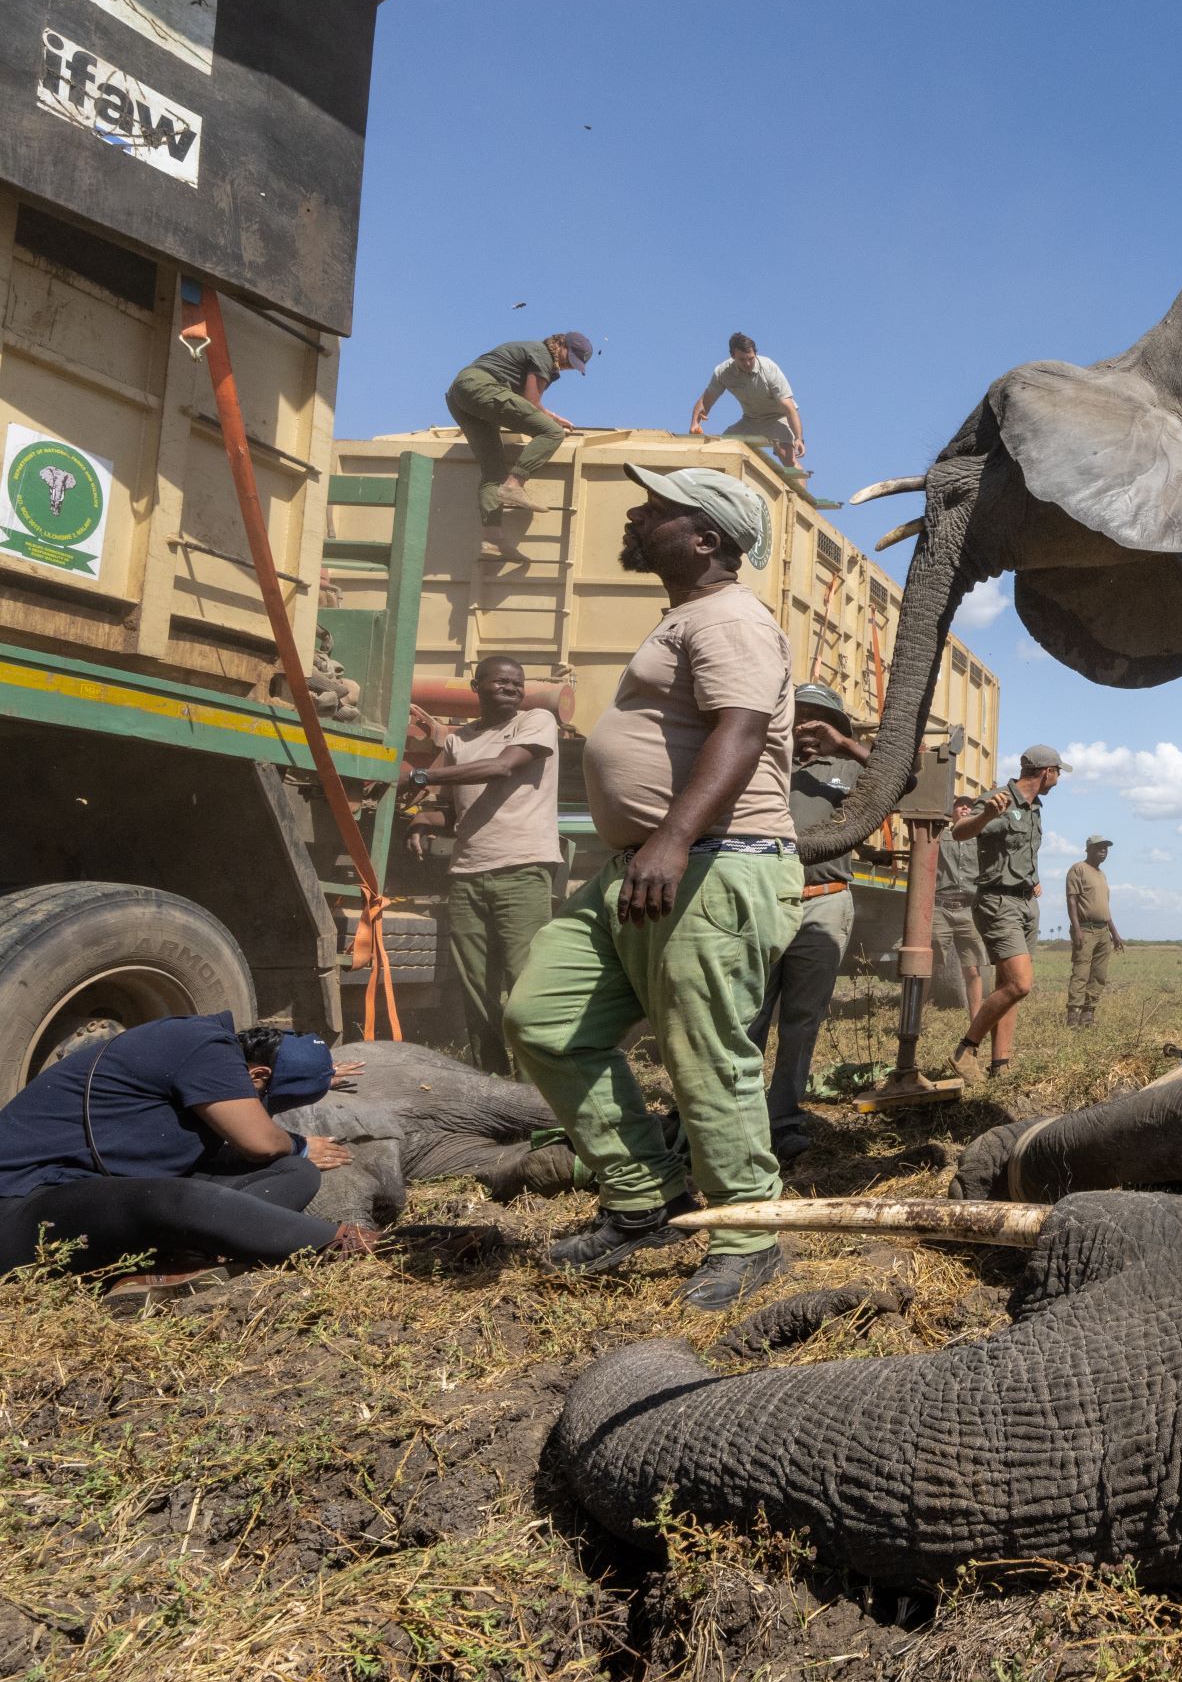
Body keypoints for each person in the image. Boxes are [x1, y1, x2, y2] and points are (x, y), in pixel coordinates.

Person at [504, 464, 802, 1313]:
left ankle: (750, 1239)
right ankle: (645, 1201)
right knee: (545, 1020)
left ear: (707, 538)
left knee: (706, 1058)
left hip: (711, 860)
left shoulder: (731, 620)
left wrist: (671, 839)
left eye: (657, 510)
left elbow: (739, 733)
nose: (636, 516)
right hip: (645, 865)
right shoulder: (685, 618)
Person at [0, 1017, 375, 1277]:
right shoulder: (203, 1045)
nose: (260, 1112)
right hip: (24, 1206)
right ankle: (350, 1245)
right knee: (177, 1197)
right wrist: (297, 1143)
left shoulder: (217, 1056)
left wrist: (319, 1075)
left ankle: (184, 1257)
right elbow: (260, 1142)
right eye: (265, 1102)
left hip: (98, 1199)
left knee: (297, 1171)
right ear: (257, 1075)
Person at [403, 654, 560, 1077]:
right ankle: (490, 1078)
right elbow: (457, 812)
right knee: (476, 987)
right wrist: (422, 819)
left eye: (517, 683)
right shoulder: (460, 741)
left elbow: (500, 768)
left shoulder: (535, 721)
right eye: (500, 682)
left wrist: (420, 777)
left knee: (525, 986)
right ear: (476, 687)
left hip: (522, 870)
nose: (511, 689)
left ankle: (534, 1088)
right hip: (468, 874)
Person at [746, 684, 865, 1156]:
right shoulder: (763, 762)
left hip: (825, 900)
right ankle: (740, 1116)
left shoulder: (850, 768)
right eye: (802, 716)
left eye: (823, 719)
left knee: (801, 1018)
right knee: (748, 1015)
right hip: (763, 898)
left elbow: (907, 781)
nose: (810, 728)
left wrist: (845, 745)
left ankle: (784, 1119)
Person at [946, 745, 1063, 1080]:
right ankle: (966, 1048)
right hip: (999, 904)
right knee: (1020, 985)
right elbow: (959, 832)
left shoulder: (1035, 808)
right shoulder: (998, 799)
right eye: (1057, 773)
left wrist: (1033, 880)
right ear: (1045, 772)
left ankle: (1002, 1065)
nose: (1057, 779)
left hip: (1026, 902)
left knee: (1007, 985)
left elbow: (1020, 854)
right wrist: (985, 816)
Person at [445, 331, 590, 558]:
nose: (567, 366)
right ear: (559, 343)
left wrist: (548, 414)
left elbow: (526, 403)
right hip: (480, 387)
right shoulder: (542, 353)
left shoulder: (531, 351)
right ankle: (514, 486)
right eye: (568, 358)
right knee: (552, 433)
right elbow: (530, 401)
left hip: (461, 395)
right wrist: (550, 418)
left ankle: (492, 541)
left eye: (573, 365)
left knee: (493, 472)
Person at [689, 332, 806, 470]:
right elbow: (706, 400)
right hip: (751, 420)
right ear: (733, 356)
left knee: (786, 456)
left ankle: (797, 491)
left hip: (778, 417)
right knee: (723, 447)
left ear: (755, 353)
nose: (747, 363)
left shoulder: (769, 368)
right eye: (742, 359)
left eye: (750, 358)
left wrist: (798, 438)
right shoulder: (723, 372)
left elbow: (789, 407)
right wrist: (695, 423)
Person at [931, 815, 987, 1019]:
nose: (964, 808)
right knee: (926, 966)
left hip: (969, 910)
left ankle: (976, 1021)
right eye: (960, 804)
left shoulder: (982, 839)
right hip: (940, 908)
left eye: (969, 805)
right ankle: (914, 1020)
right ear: (952, 812)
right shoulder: (939, 835)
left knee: (972, 969)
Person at [1066, 834, 1124, 1026]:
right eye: (1099, 847)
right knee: (1081, 972)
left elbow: (1104, 908)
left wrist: (1114, 933)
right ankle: (1073, 1015)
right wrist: (1077, 929)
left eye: (1106, 848)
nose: (1104, 851)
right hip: (1085, 928)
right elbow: (1072, 900)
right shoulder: (1078, 869)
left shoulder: (1101, 874)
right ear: (1088, 849)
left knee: (1099, 974)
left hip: (1103, 931)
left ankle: (1088, 1013)